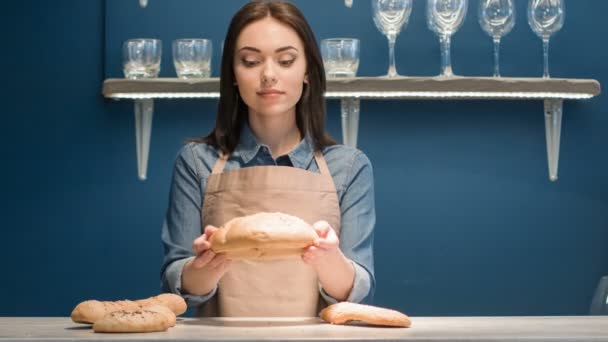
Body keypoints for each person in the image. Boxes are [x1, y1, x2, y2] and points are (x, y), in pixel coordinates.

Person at [160, 0, 375, 317]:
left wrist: (328, 259)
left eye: (286, 61)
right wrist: (207, 265)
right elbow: (177, 287)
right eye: (250, 61)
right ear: (233, 74)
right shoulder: (195, 161)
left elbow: (354, 293)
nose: (269, 75)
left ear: (308, 72)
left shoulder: (351, 167)